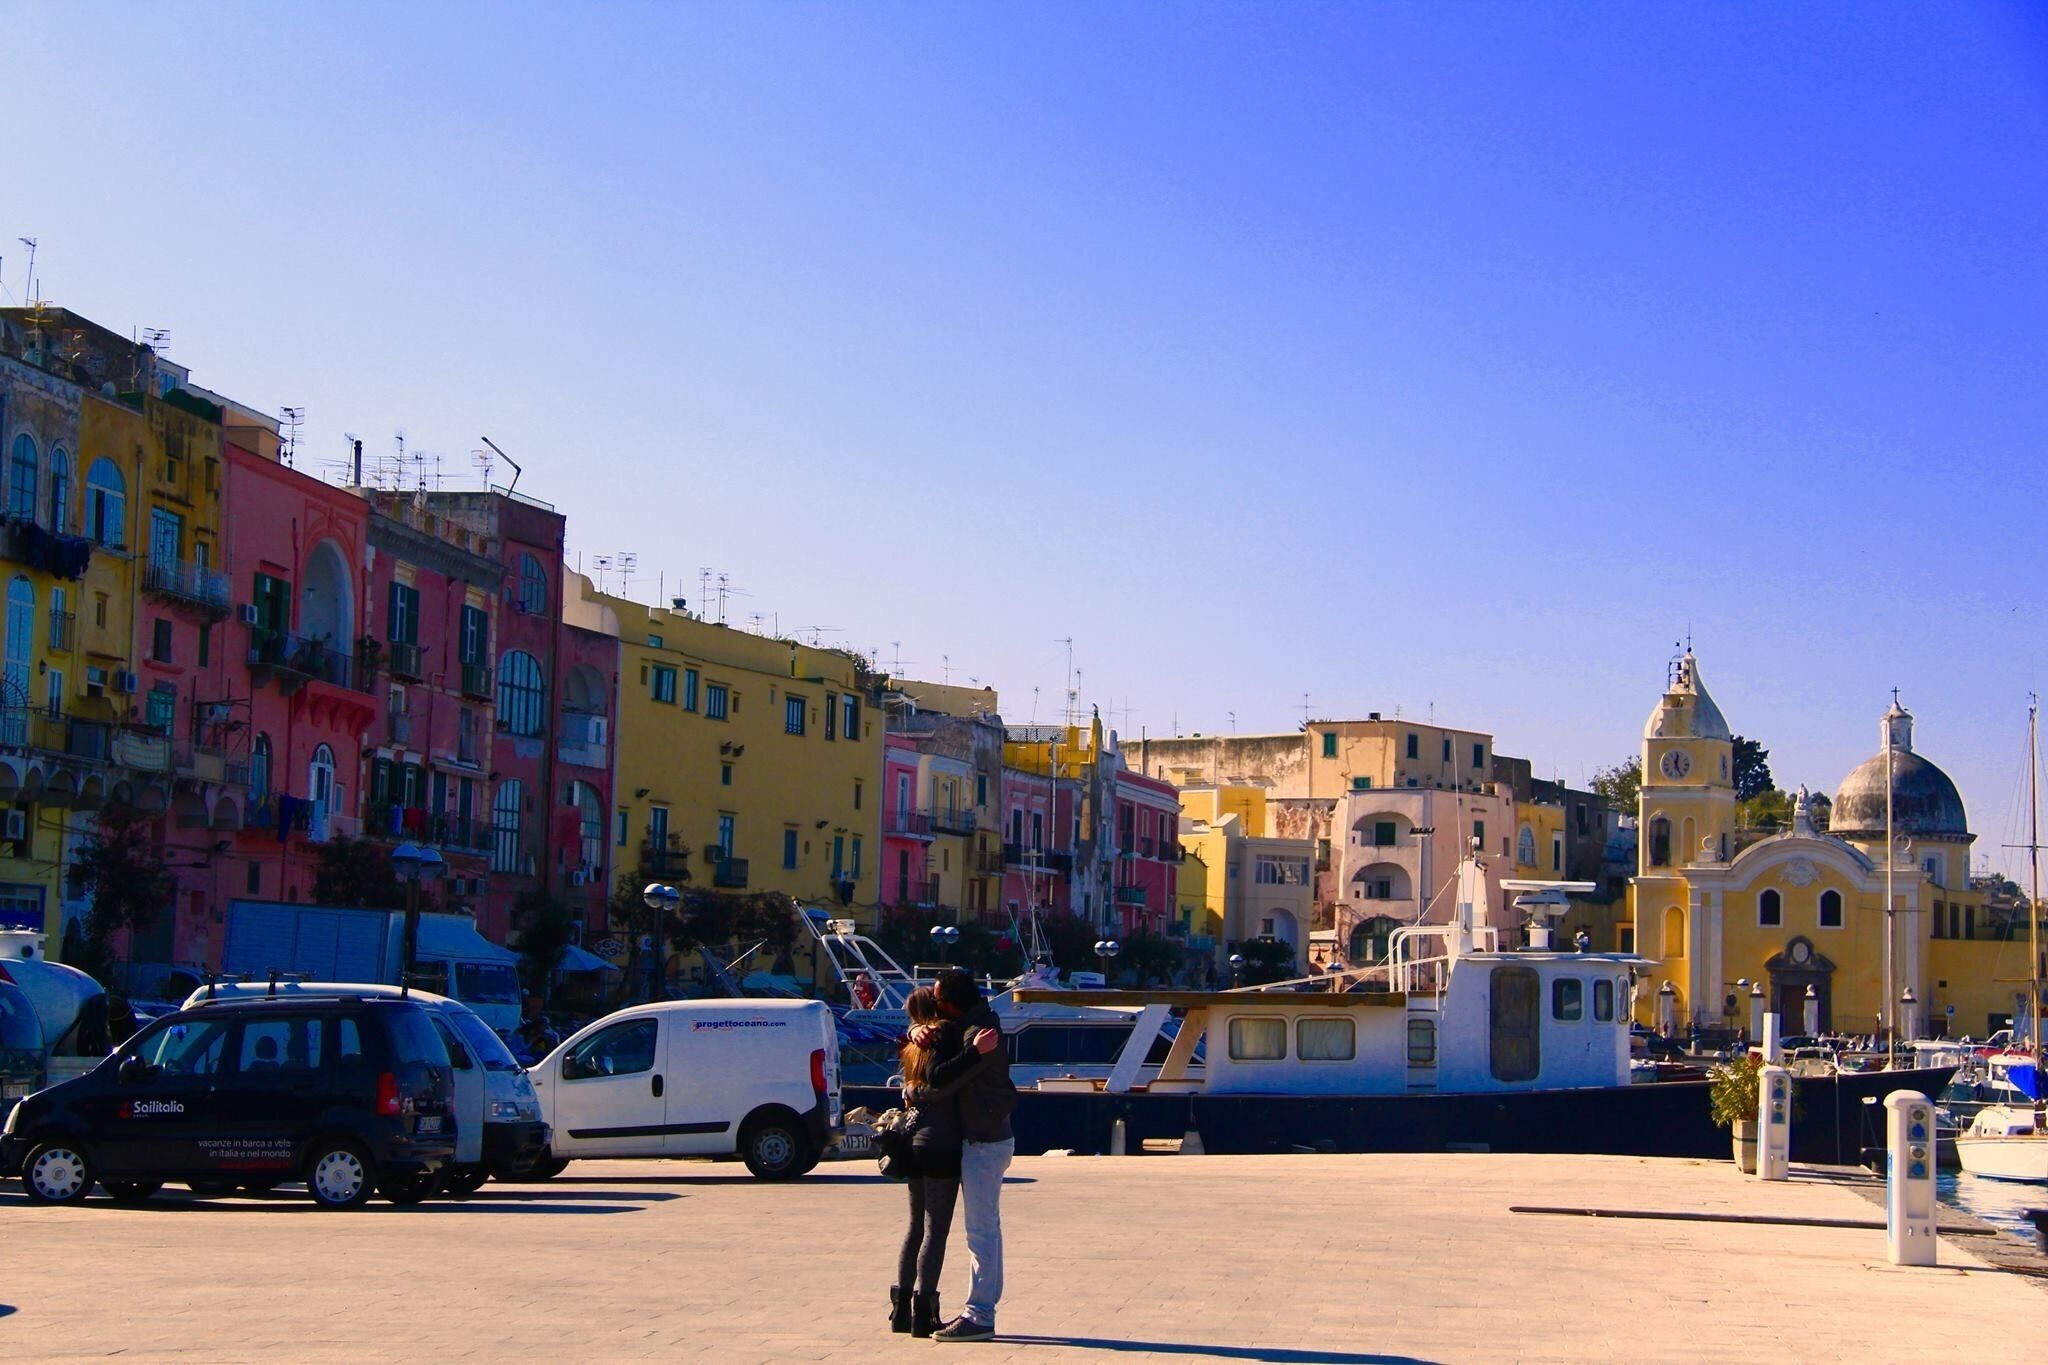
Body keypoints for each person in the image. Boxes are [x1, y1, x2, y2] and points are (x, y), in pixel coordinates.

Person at [918, 969, 1014, 1342]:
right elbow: (920, 1022)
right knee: (988, 1227)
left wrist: (917, 1095)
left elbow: (941, 1081)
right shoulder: (972, 1025)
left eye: (939, 1000)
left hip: (984, 1142)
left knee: (981, 1230)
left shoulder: (979, 1035)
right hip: (988, 1137)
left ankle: (980, 1314)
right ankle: (984, 1307)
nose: (936, 1006)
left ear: (953, 1003)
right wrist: (916, 1031)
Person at [893, 987, 965, 1338]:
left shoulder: (911, 1046)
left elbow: (914, 1087)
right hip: (941, 1141)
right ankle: (925, 1312)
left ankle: (900, 1310)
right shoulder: (945, 1038)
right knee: (936, 1230)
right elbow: (945, 1084)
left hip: (912, 1142)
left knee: (914, 1226)